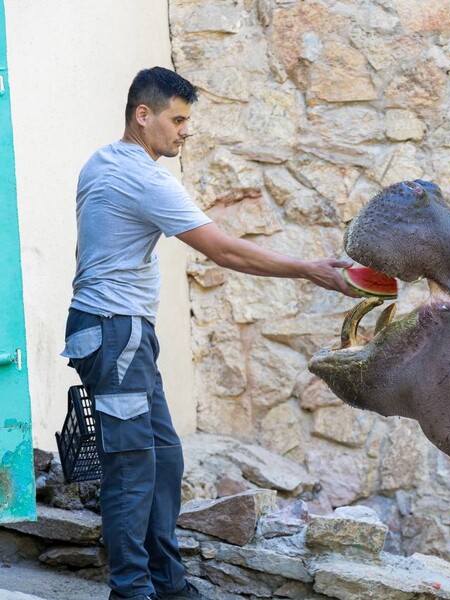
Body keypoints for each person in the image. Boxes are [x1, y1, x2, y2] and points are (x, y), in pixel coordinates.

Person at [60, 67, 358, 600]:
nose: (185, 131)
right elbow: (222, 249)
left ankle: (167, 584)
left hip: (117, 332)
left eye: (187, 120)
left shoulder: (101, 160)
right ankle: (132, 592)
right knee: (132, 468)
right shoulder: (144, 178)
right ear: (142, 115)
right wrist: (308, 268)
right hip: (114, 330)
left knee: (164, 458)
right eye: (177, 119)